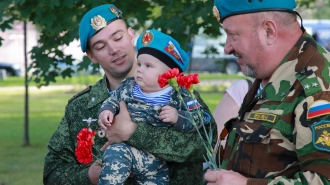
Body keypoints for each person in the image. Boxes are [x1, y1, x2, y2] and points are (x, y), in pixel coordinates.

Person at [43, 4, 217, 185]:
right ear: (91, 56)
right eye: (101, 46)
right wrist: (88, 176)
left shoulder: (176, 90)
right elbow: (52, 173)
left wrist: (134, 132)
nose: (114, 49)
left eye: (117, 38)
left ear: (131, 35)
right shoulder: (79, 107)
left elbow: (207, 145)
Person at [205, 0, 330, 184]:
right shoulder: (271, 72)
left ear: (269, 31)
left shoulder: (316, 87)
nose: (227, 47)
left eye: (233, 35)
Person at [97, 29, 210, 185]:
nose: (140, 69)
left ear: (170, 73)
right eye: (140, 63)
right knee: (115, 153)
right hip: (127, 152)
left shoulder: (179, 95)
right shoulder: (129, 87)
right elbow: (113, 100)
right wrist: (106, 111)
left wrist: (178, 117)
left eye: (149, 66)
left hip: (158, 162)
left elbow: (201, 119)